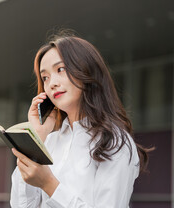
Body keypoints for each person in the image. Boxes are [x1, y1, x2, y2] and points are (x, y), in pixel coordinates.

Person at [10, 32, 152, 207]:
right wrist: (37, 138)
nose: (52, 83)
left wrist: (49, 184)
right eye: (45, 77)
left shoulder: (114, 142)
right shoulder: (51, 140)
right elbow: (21, 205)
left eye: (60, 69)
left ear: (86, 70)